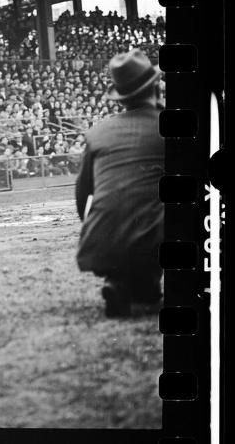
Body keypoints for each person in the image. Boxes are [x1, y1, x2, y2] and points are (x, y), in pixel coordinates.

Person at [75, 49, 164, 318]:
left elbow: (82, 197)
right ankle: (144, 282)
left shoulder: (98, 131)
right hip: (156, 238)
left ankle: (120, 281)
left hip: (100, 240)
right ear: (156, 86)